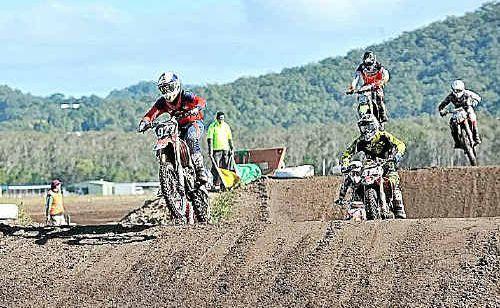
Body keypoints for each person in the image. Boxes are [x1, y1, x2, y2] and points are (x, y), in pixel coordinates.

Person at [138, 72, 208, 183]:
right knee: (167, 139)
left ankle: (200, 170)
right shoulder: (162, 102)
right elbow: (151, 114)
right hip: (177, 126)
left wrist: (197, 108)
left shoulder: (185, 95)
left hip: (194, 122)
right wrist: (144, 122)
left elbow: (201, 101)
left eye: (169, 87)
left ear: (176, 85)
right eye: (163, 89)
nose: (167, 92)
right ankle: (168, 178)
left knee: (190, 138)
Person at [339, 114, 407, 219]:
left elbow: (400, 144)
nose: (366, 130)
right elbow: (347, 153)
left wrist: (397, 154)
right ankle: (352, 206)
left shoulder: (384, 136)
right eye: (364, 127)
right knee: (356, 182)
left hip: (387, 166)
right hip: (369, 167)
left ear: (374, 126)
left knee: (393, 181)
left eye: (369, 127)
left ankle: (399, 208)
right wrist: (345, 164)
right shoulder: (360, 142)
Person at [348, 51, 390, 123]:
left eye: (370, 65)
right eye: (367, 65)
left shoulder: (378, 65)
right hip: (366, 85)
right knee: (361, 96)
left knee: (379, 97)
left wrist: (383, 81)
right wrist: (352, 87)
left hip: (377, 84)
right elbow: (356, 78)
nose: (368, 68)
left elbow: (386, 74)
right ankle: (363, 114)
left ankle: (382, 115)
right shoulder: (361, 67)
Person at [438, 80, 482, 147]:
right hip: (457, 110)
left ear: (462, 89)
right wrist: (441, 110)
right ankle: (457, 142)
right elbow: (443, 104)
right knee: (452, 123)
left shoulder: (467, 93)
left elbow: (478, 98)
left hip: (467, 108)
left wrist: (474, 102)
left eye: (458, 90)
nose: (456, 92)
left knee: (472, 117)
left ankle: (476, 137)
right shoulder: (451, 96)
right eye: (455, 90)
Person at [206, 111, 234, 190]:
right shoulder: (213, 126)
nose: (221, 120)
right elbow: (210, 139)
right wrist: (210, 151)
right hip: (216, 150)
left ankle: (224, 184)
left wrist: (232, 148)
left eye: (223, 118)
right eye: (220, 118)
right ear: (217, 118)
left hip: (225, 149)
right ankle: (215, 184)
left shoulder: (226, 126)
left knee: (225, 167)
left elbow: (229, 138)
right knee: (216, 167)